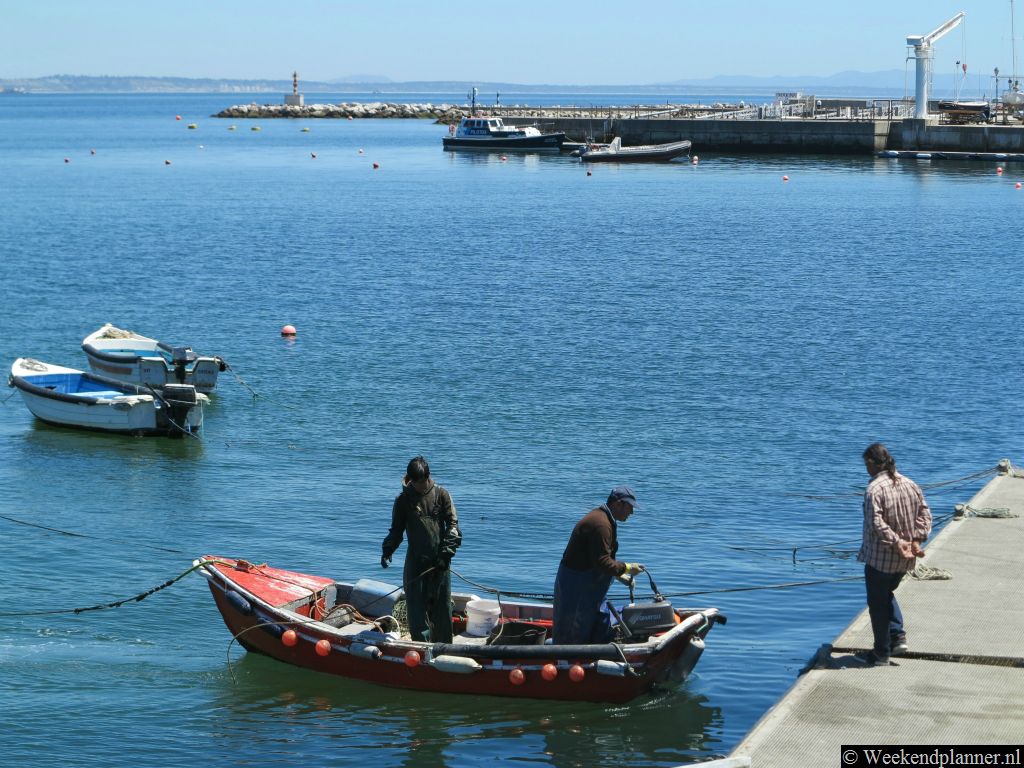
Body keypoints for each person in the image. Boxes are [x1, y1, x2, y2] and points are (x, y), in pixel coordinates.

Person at [856, 443, 932, 666]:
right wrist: (916, 540)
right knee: (886, 593)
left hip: (880, 558)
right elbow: (925, 515)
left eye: (866, 464)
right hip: (905, 560)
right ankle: (897, 637)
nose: (866, 469)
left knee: (877, 603)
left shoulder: (874, 490)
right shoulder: (910, 484)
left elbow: (875, 523)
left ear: (871, 464)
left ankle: (881, 653)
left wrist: (897, 542)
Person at [381, 456, 462, 643]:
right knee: (416, 609)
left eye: (424, 482)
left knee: (442, 608)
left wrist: (446, 555)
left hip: (440, 561)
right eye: (417, 483)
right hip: (415, 561)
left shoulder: (442, 495)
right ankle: (421, 647)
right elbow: (396, 531)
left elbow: (453, 527)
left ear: (429, 476)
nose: (421, 486)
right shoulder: (403, 501)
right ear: (410, 480)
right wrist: (387, 551)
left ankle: (444, 647)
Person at [552, 486, 645, 645]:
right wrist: (627, 568)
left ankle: (596, 649)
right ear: (617, 504)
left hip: (590, 585)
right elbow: (602, 562)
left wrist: (618, 574)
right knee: (572, 631)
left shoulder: (605, 519)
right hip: (577, 585)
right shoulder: (601, 524)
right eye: (629, 507)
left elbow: (598, 558)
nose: (631, 512)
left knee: (598, 622)